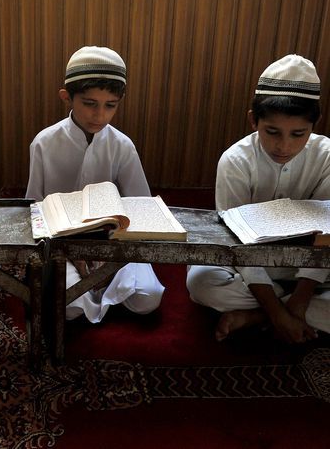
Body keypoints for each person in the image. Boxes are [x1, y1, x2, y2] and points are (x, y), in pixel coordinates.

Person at [187, 54, 330, 343]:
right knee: (202, 284)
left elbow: (326, 238)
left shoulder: (327, 157)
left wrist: (299, 300)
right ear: (253, 120)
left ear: (315, 125)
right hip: (246, 265)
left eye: (298, 134)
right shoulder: (236, 161)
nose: (284, 146)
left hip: (312, 269)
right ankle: (282, 312)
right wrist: (278, 313)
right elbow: (237, 245)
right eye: (272, 132)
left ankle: (257, 316)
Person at [26, 46, 165, 322]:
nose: (99, 115)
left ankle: (103, 290)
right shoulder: (44, 143)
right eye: (90, 103)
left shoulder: (122, 146)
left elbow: (141, 208)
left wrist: (111, 257)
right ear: (67, 97)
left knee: (148, 297)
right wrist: (68, 252)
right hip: (61, 246)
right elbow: (34, 209)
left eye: (110, 105)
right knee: (67, 305)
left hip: (115, 245)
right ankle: (98, 297)